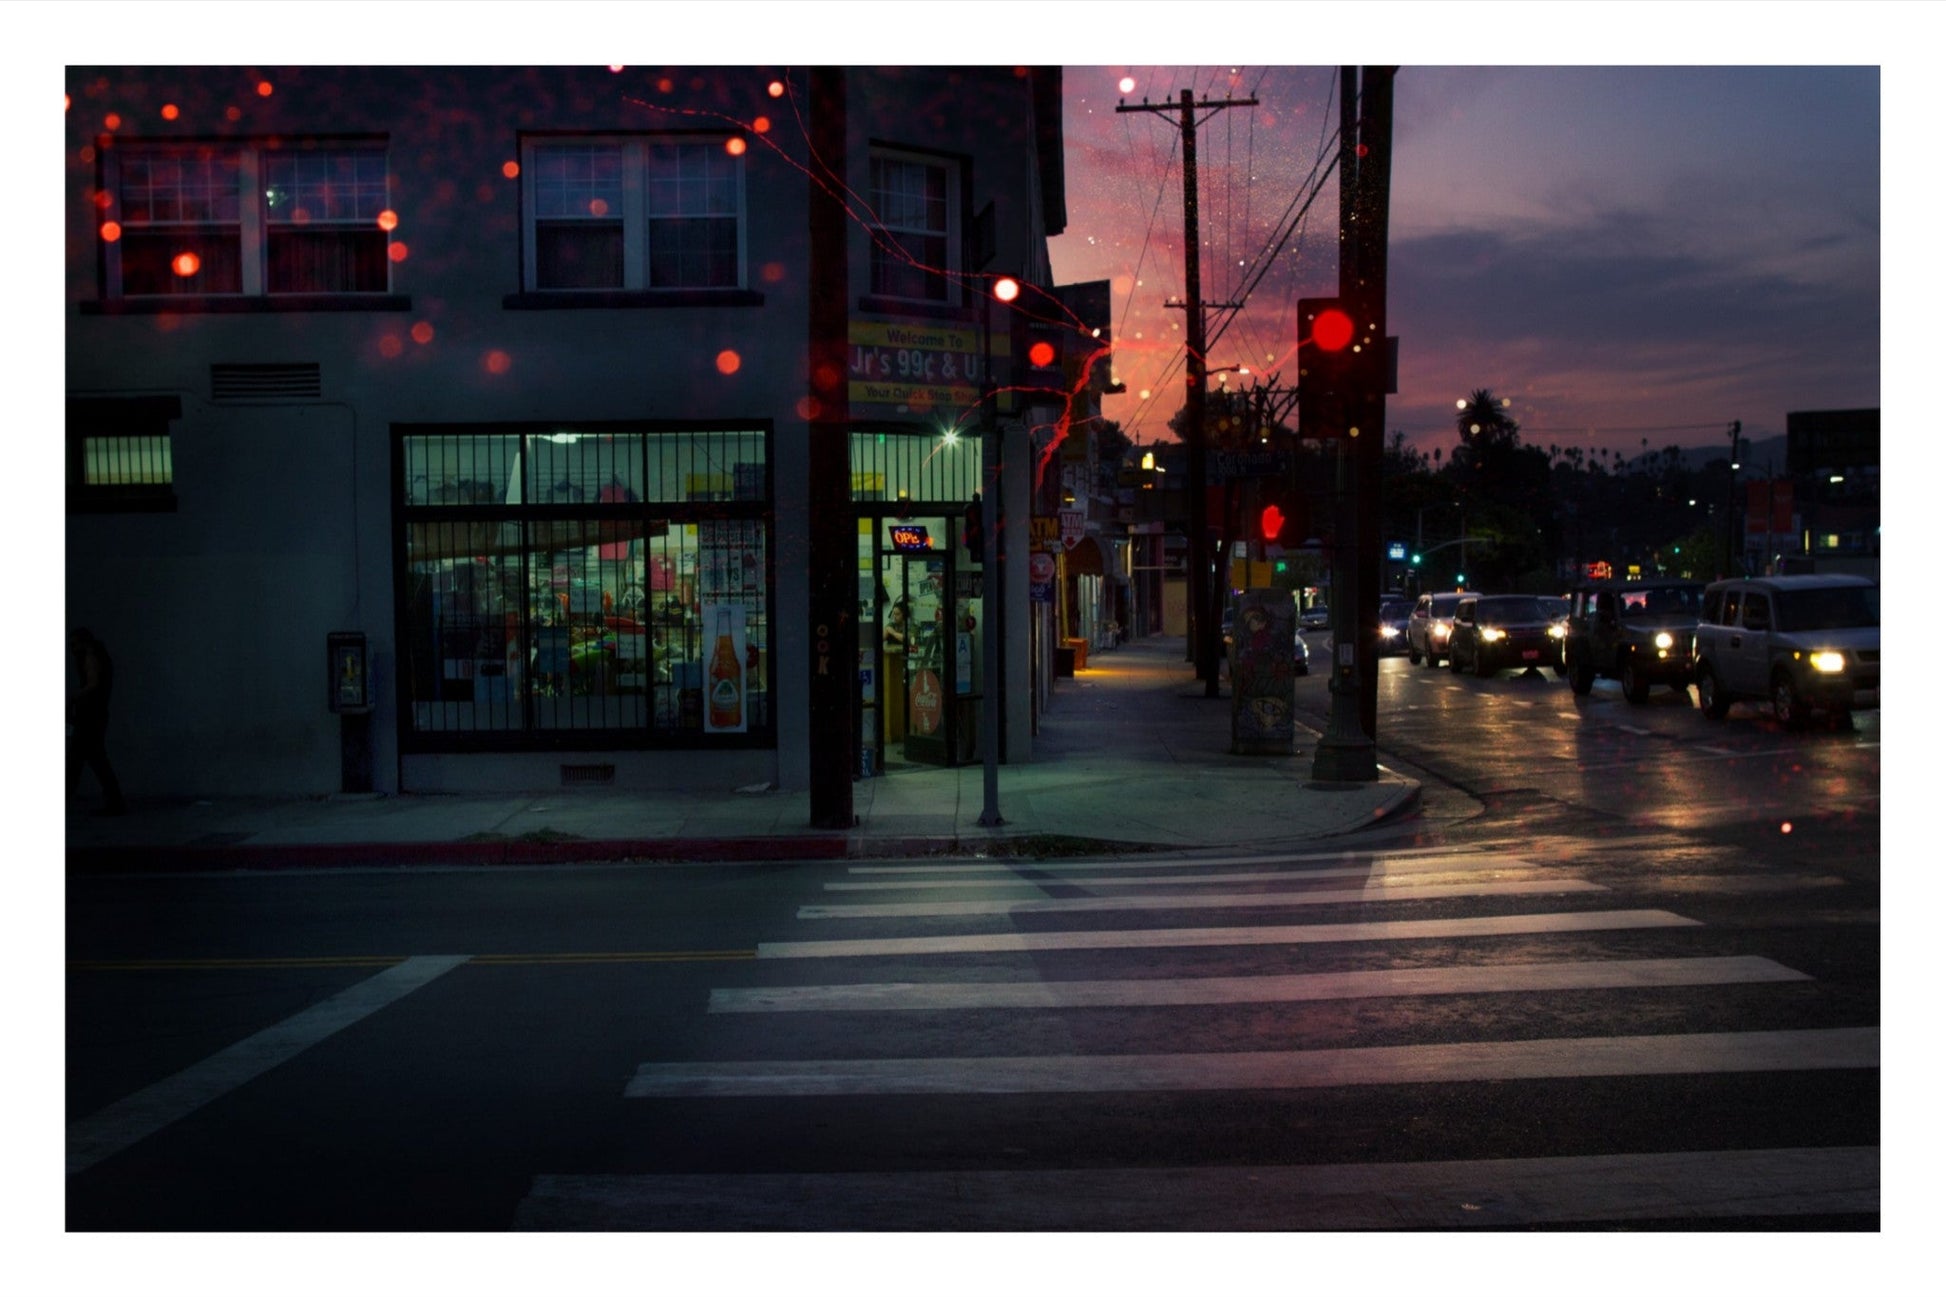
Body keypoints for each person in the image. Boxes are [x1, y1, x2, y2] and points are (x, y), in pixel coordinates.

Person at [68, 627, 126, 815]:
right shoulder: (97, 655)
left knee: (80, 759)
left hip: (89, 715)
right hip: (95, 714)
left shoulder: (90, 655)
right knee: (92, 759)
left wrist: (73, 697)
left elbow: (93, 683)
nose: (72, 649)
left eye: (74, 644)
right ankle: (114, 801)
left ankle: (114, 802)